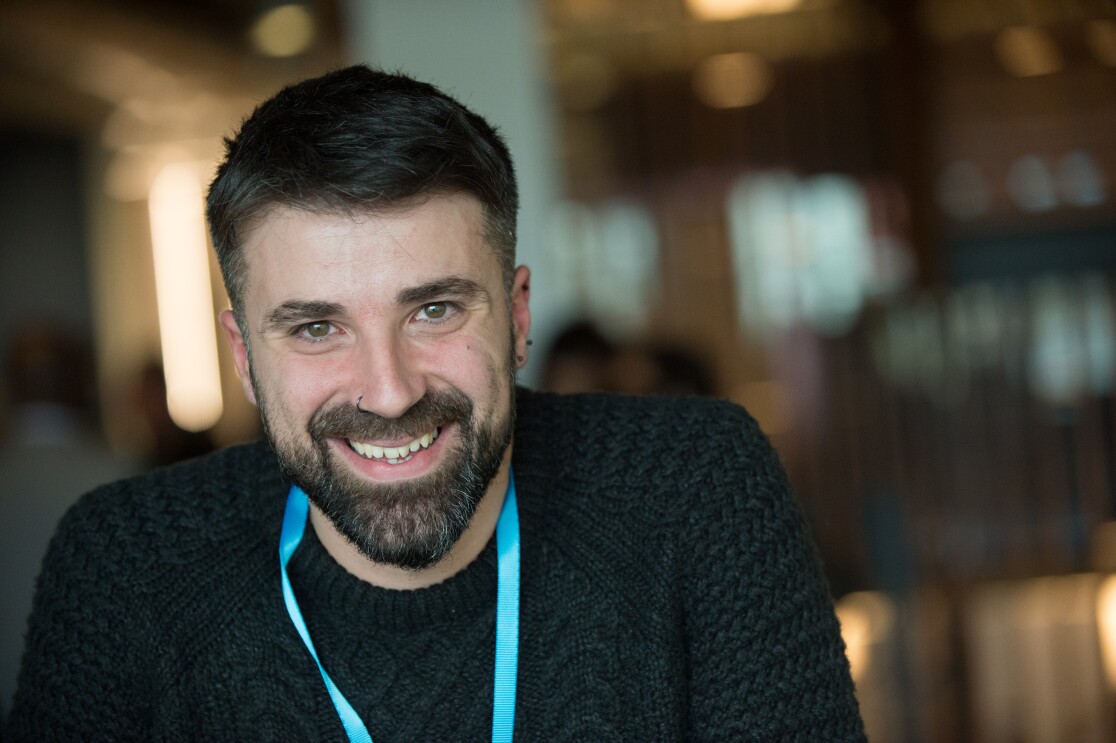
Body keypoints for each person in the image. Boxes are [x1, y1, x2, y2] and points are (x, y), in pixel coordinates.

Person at [6, 65, 865, 741]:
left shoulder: (695, 483)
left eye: (435, 309)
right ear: (242, 356)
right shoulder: (124, 561)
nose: (389, 390)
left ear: (518, 316)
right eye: (314, 328)